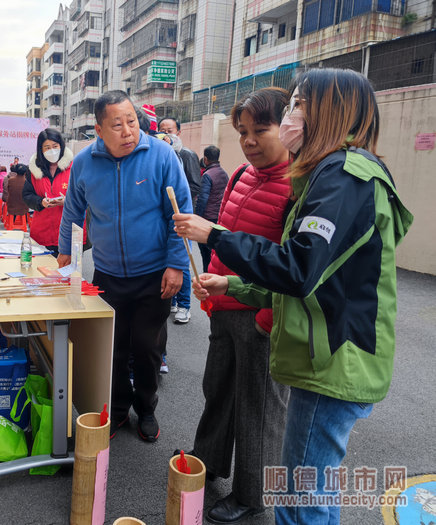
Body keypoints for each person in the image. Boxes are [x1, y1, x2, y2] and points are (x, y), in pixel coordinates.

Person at [174, 69, 413, 524]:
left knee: (301, 499)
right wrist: (234, 284)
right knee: (306, 486)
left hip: (332, 357)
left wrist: (217, 237)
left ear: (330, 111)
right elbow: (313, 272)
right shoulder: (328, 173)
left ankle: (250, 492)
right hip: (318, 349)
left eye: (299, 105)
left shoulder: (343, 177)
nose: (291, 116)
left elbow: (299, 269)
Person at [172, 87, 292, 524]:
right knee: (217, 388)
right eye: (243, 132)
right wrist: (210, 286)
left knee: (259, 407)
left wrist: (266, 317)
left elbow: (291, 266)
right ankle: (210, 459)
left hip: (261, 311)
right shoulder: (241, 175)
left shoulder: (299, 184)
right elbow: (226, 236)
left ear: (288, 127)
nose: (250, 140)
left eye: (261, 130)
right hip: (224, 301)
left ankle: (252, 493)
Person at [57, 90, 192, 443]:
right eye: (117, 125)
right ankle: (117, 410)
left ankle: (146, 408)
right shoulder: (85, 163)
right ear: (99, 130)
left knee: (147, 348)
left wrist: (177, 264)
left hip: (154, 275)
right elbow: (73, 211)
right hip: (108, 274)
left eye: (131, 121)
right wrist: (65, 253)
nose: (128, 131)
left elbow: (180, 213)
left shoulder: (161, 156)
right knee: (112, 348)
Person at [158, 117, 202, 325]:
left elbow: (194, 185)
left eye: (171, 130)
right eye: (163, 130)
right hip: (165, 218)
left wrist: (180, 202)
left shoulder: (187, 155)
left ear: (179, 132)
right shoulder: (159, 155)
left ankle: (185, 305)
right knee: (168, 260)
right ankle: (173, 300)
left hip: (182, 216)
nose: (167, 134)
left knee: (182, 262)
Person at [23, 128, 74, 253]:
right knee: (42, 271)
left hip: (68, 233)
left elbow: (86, 196)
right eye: (47, 147)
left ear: (61, 146)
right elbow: (27, 195)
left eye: (55, 146)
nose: (52, 151)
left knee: (67, 272)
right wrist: (41, 202)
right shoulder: (34, 170)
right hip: (42, 232)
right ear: (41, 150)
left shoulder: (74, 167)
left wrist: (67, 201)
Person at [195, 145, 229, 272]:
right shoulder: (224, 174)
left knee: (205, 253)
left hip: (207, 218)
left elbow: (203, 199)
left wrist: (197, 217)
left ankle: (206, 275)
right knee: (213, 252)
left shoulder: (207, 175)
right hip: (219, 217)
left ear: (205, 159)